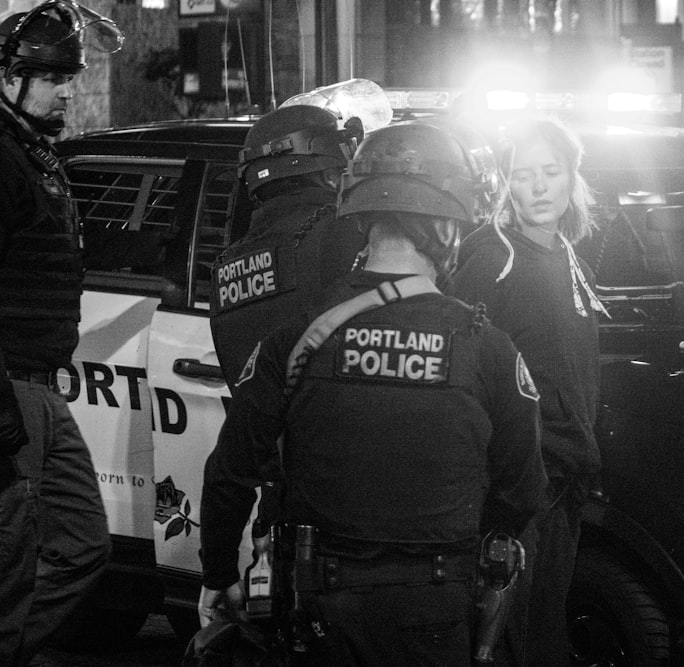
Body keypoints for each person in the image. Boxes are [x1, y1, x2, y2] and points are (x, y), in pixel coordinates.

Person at [198, 120, 548, 665]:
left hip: (317, 606)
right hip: (436, 608)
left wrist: (218, 572)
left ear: (359, 218)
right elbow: (524, 488)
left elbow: (230, 472)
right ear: (447, 228)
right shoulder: (490, 350)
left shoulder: (294, 343)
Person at [453, 115, 608, 666]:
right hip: (516, 494)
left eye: (551, 171)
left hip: (563, 484)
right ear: (505, 182)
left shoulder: (571, 258)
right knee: (507, 645)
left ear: (572, 177)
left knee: (543, 640)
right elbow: (459, 376)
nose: (539, 187)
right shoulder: (491, 258)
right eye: (523, 175)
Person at [0, 3, 123, 665]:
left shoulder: (32, 154)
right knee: (13, 560)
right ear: (8, 76)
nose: (67, 89)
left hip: (42, 386)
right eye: (50, 77)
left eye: (70, 76)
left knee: (82, 543)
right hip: (13, 388)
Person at [210, 78, 393, 387]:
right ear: (326, 172)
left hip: (268, 430)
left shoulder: (226, 266)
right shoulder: (337, 232)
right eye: (338, 172)